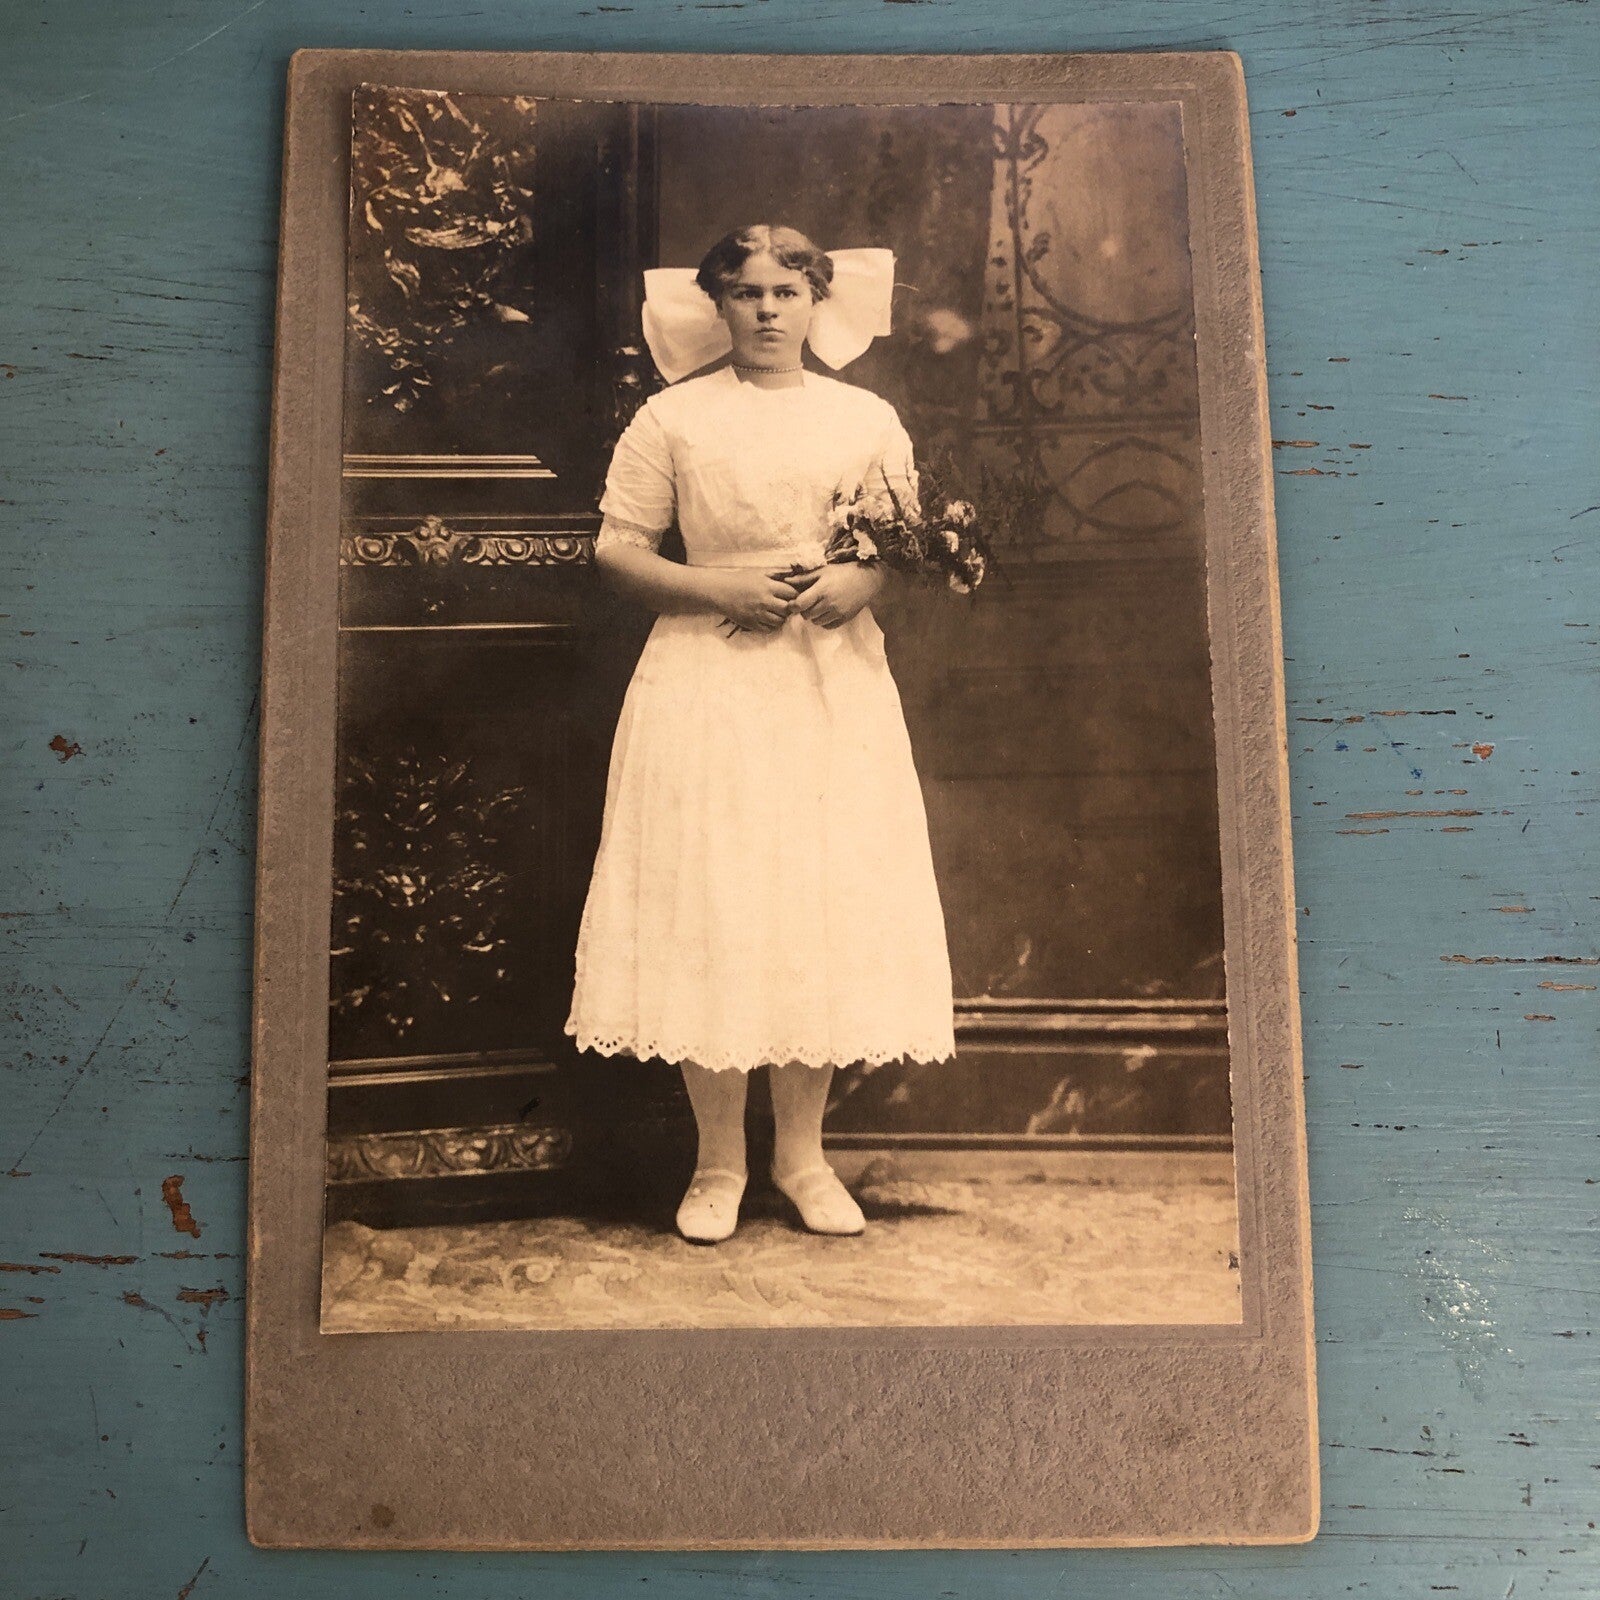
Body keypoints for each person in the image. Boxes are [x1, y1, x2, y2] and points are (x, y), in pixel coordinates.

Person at [563, 224, 955, 1244]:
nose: (769, 310)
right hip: (706, 675)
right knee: (716, 900)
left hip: (830, 681)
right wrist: (720, 589)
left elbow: (897, 544)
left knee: (811, 904)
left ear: (819, 300)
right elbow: (618, 550)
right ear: (718, 304)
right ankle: (718, 1163)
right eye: (747, 292)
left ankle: (801, 1157)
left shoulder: (864, 416)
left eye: (788, 291)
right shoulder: (673, 417)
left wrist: (859, 580)